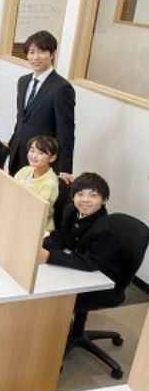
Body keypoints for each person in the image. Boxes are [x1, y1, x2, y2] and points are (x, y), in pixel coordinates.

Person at [39, 172, 122, 308]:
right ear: (73, 197)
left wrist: (49, 256)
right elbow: (61, 236)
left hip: (97, 281)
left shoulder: (105, 229)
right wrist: (40, 246)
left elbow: (90, 263)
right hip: (77, 268)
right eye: (80, 194)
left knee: (46, 291)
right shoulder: (71, 210)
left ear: (104, 200)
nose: (85, 200)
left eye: (93, 195)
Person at [8, 30, 75, 183]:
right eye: (32, 52)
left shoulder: (62, 88)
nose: (36, 57)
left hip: (42, 160)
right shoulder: (23, 82)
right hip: (18, 152)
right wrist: (11, 146)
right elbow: (21, 119)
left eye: (42, 51)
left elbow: (66, 131)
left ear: (52, 54)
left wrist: (65, 167)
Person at [13, 135, 60, 230]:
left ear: (52, 158)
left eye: (41, 153)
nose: (34, 156)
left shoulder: (50, 183)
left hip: (38, 227)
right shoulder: (25, 170)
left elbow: (39, 212)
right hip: (17, 217)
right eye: (32, 150)